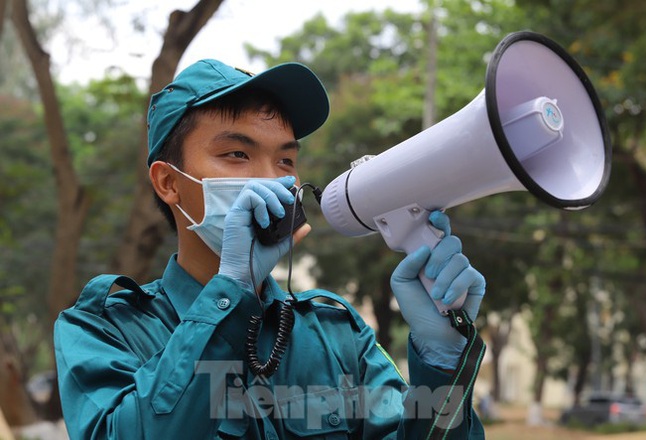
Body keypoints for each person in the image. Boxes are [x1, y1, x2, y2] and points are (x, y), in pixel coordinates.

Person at [54, 59, 487, 439]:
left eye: (285, 161)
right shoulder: (104, 328)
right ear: (169, 183)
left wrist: (443, 362)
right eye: (237, 154)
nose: (272, 181)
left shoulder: (337, 331)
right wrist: (229, 295)